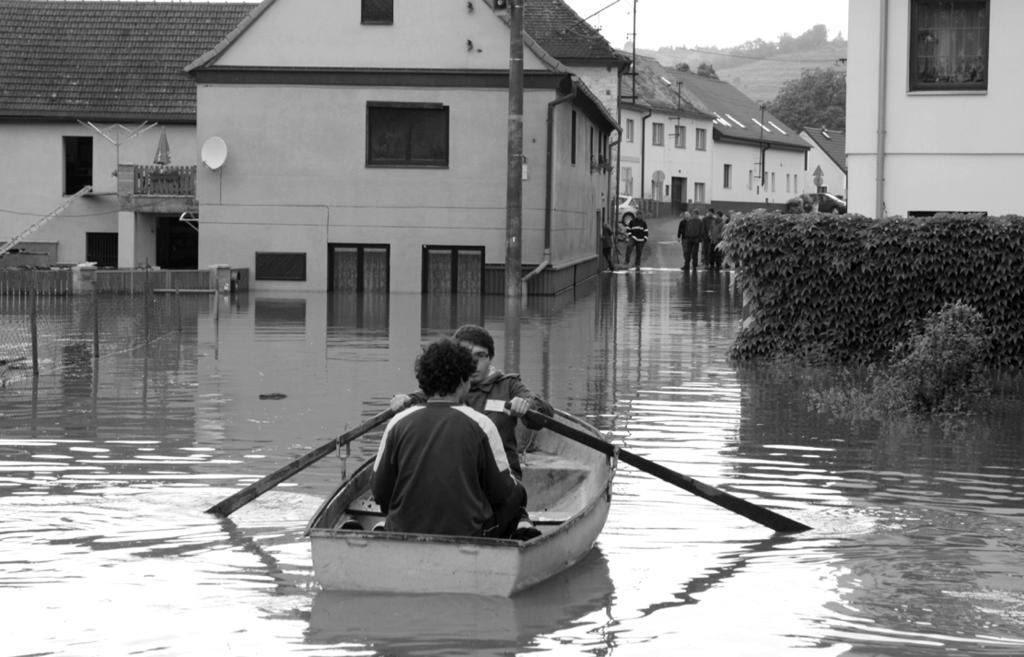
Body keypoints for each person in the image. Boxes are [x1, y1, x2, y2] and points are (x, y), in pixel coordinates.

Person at [391, 324, 553, 541]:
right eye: (467, 356)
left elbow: (544, 412)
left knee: (513, 491)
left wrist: (526, 406)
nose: (474, 363)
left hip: (498, 474)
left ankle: (520, 518)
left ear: (491, 358)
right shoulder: (446, 386)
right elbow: (420, 398)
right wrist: (405, 400)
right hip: (453, 473)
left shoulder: (508, 385)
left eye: (481, 355)